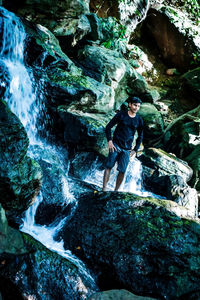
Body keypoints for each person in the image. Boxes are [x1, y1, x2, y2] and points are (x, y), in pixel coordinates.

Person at [103, 96, 143, 191]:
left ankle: (115, 191)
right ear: (129, 104)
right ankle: (104, 189)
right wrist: (109, 141)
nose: (136, 108)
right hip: (115, 145)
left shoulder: (139, 120)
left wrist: (135, 149)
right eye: (134, 105)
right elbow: (108, 127)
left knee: (122, 171)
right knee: (109, 166)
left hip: (127, 149)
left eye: (138, 106)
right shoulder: (121, 115)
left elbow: (141, 136)